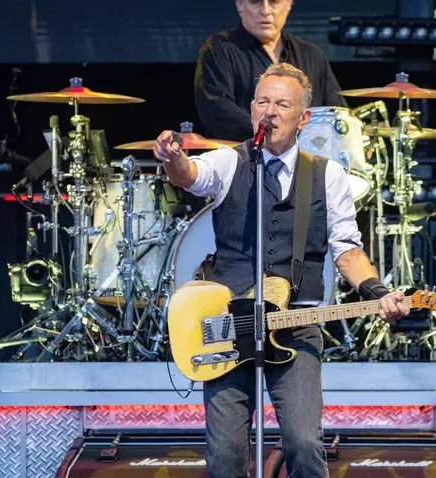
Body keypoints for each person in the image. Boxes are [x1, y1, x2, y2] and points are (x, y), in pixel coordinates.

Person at [154, 63, 409, 478]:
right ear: (252, 109)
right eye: (262, 102)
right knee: (226, 456)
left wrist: (378, 293)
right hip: (230, 324)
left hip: (297, 323)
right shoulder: (230, 161)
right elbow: (191, 176)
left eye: (282, 104)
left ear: (303, 118)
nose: (269, 111)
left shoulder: (328, 175)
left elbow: (347, 251)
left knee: (304, 445)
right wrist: (173, 159)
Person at [194, 0, 347, 141]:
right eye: (255, 2)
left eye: (274, 2)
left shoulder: (312, 55)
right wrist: (271, 133)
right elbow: (215, 109)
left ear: (288, 5)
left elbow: (338, 113)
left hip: (305, 158)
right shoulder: (218, 49)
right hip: (244, 156)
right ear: (240, 4)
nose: (265, 11)